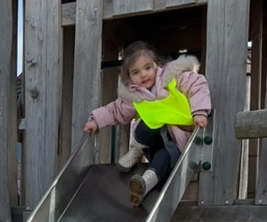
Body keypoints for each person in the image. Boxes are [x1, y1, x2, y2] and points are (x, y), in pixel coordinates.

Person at [83, 41, 212, 206]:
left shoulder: (173, 76)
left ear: (157, 65)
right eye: (136, 72)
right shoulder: (135, 95)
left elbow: (198, 85)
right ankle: (137, 155)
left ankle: (145, 182)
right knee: (147, 124)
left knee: (163, 158)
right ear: (129, 77)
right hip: (150, 140)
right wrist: (95, 121)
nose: (143, 75)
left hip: (175, 139)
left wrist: (199, 111)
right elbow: (115, 110)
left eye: (147, 68)